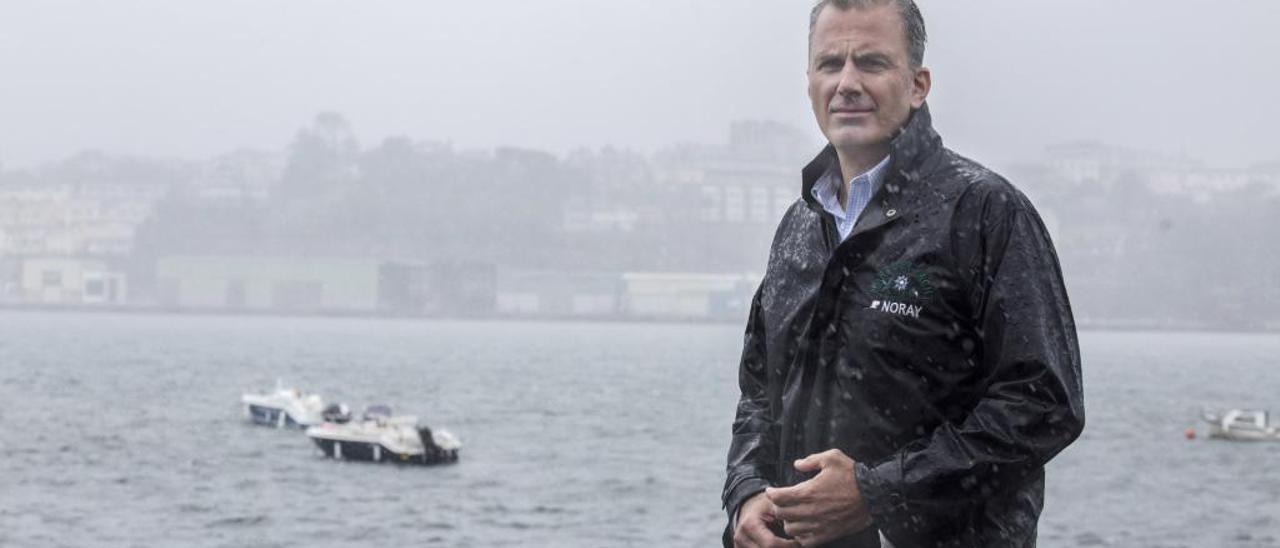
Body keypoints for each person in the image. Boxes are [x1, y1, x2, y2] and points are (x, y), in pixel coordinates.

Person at [722, 1, 1085, 547]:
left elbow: (1044, 404)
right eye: (829, 65)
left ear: (918, 84)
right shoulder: (799, 226)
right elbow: (758, 390)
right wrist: (746, 491)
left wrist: (880, 492)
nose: (846, 83)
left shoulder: (984, 211)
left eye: (870, 62)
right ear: (808, 84)